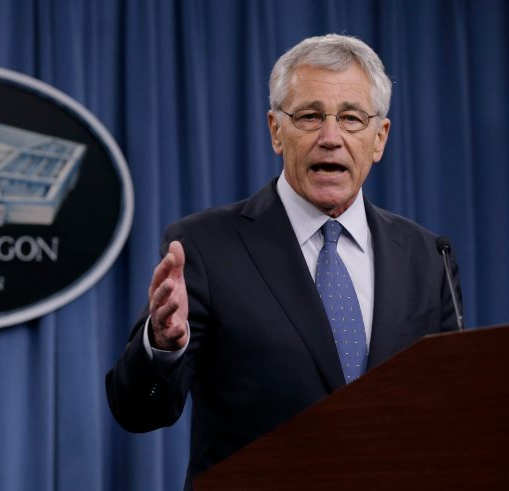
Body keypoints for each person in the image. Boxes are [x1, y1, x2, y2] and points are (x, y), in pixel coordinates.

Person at [105, 33, 462, 488]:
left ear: (380, 138)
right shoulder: (205, 245)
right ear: (276, 130)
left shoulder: (426, 255)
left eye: (351, 118)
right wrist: (162, 346)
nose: (330, 138)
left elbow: (451, 412)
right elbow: (138, 411)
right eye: (309, 117)